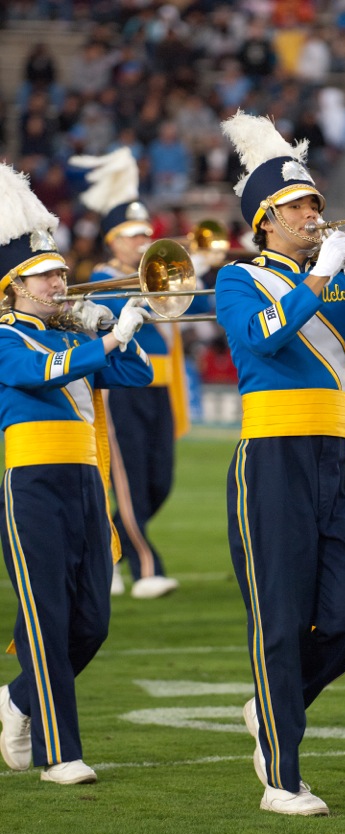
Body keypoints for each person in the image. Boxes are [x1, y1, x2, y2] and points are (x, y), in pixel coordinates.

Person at [215, 110, 345, 816]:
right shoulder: (239, 280)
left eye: (314, 205)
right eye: (298, 206)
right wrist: (317, 280)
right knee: (281, 620)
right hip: (270, 457)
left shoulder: (331, 277)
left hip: (333, 456)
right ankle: (283, 781)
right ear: (266, 219)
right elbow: (260, 340)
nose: (312, 214)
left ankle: (270, 710)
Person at [0, 162, 152, 784]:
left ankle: (15, 698)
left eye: (61, 273)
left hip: (85, 483)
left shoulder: (70, 335)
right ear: (13, 287)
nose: (60, 284)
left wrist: (121, 333)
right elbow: (42, 374)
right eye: (46, 277)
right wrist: (103, 343)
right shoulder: (9, 336)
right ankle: (59, 754)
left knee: (92, 617)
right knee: (47, 614)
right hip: (32, 482)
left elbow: (136, 378)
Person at [68, 147, 187, 599]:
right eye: (132, 235)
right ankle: (146, 566)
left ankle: (106, 547)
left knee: (159, 481)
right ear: (113, 240)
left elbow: (196, 310)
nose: (142, 241)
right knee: (130, 481)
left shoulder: (157, 277)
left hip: (158, 387)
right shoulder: (101, 279)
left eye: (145, 234)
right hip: (122, 389)